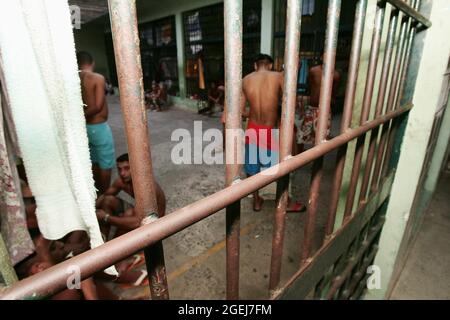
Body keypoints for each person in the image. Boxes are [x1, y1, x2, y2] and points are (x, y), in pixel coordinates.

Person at [242, 54, 305, 212]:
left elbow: (241, 111)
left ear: (255, 66)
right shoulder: (278, 76)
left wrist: (256, 110)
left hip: (252, 129)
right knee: (279, 168)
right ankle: (286, 202)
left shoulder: (245, 80)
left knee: (252, 169)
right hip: (270, 130)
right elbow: (291, 102)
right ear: (270, 65)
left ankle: (256, 201)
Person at [96, 153, 166, 239]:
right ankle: (103, 238)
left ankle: (115, 246)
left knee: (128, 216)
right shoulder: (121, 181)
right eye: (119, 169)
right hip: (141, 211)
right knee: (107, 200)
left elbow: (136, 222)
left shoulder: (145, 188)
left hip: (154, 222)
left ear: (135, 168)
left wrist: (106, 217)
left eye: (127, 168)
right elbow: (105, 196)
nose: (122, 173)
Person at [77, 51, 116, 195]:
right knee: (105, 162)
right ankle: (105, 196)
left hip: (85, 128)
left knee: (94, 160)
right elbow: (98, 106)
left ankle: (97, 192)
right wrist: (83, 116)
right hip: (98, 126)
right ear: (92, 62)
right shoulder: (97, 78)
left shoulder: (75, 78)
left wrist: (80, 119)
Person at [297, 52, 341, 148]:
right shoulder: (313, 71)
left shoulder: (336, 75)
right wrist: (303, 106)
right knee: (302, 136)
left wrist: (329, 104)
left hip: (325, 110)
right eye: (325, 56)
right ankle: (298, 159)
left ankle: (318, 162)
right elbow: (309, 87)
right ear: (321, 57)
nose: (327, 58)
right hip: (311, 108)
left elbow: (334, 93)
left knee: (322, 139)